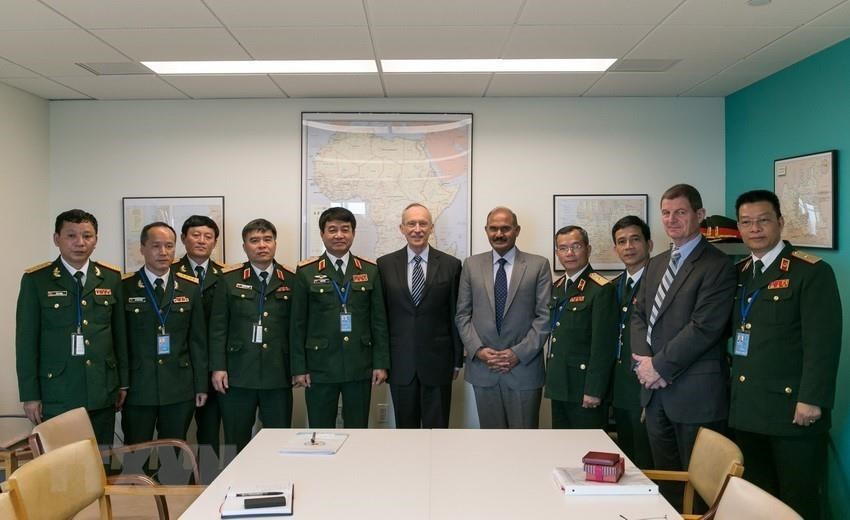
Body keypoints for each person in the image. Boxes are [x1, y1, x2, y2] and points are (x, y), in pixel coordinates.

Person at [730, 189, 842, 519]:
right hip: (749, 409)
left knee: (798, 501)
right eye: (746, 222)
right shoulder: (740, 272)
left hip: (793, 410)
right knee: (757, 499)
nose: (755, 229)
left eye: (763, 220)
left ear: (780, 222)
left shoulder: (810, 271)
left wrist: (812, 399)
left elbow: (823, 343)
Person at [630, 184, 735, 478]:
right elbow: (639, 316)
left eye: (680, 212)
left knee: (699, 485)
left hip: (695, 396)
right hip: (654, 394)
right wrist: (644, 365)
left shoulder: (718, 265)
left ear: (699, 215)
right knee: (666, 482)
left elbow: (704, 328)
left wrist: (658, 367)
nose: (671, 219)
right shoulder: (656, 263)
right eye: (666, 213)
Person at [16, 209, 127, 448]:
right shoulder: (37, 280)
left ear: (96, 240)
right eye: (71, 235)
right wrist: (30, 395)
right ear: (57, 239)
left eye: (87, 236)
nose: (80, 242)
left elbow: (120, 336)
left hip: (102, 388)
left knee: (101, 460)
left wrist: (122, 383)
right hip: (58, 391)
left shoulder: (111, 278)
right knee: (62, 463)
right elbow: (26, 343)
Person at [290, 207, 390, 428]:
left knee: (358, 428)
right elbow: (297, 325)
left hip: (359, 364)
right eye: (332, 230)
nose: (339, 235)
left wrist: (380, 363)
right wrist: (299, 368)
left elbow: (379, 322)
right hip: (320, 366)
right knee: (320, 429)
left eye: (345, 229)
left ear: (353, 233)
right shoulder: (306, 272)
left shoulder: (369, 270)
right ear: (322, 234)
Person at [455, 207, 551, 428]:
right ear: (486, 230)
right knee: (492, 441)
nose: (499, 234)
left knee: (524, 439)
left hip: (524, 369)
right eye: (493, 228)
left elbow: (544, 317)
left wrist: (517, 354)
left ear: (517, 230)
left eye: (505, 228)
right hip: (484, 369)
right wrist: (479, 350)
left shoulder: (538, 265)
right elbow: (462, 315)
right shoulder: (471, 265)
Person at [122, 222, 208, 465]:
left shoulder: (189, 287)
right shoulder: (125, 287)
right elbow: (120, 342)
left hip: (178, 386)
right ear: (142, 248)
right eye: (156, 246)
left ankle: (172, 490)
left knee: (174, 457)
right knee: (135, 455)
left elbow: (198, 341)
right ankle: (136, 490)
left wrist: (201, 385)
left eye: (169, 246)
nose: (163, 252)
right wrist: (122, 384)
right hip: (139, 387)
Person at [210, 219, 295, 455]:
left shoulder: (291, 279)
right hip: (238, 374)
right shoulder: (229, 279)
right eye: (254, 240)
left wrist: (298, 368)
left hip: (278, 373)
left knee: (278, 441)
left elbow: (297, 328)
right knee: (236, 440)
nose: (262, 245)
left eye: (267, 239)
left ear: (275, 243)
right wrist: (218, 367)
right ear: (245, 246)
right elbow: (218, 328)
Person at [377, 203, 463, 428]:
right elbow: (380, 319)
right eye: (411, 224)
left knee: (438, 431)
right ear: (402, 228)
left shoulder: (451, 265)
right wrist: (381, 362)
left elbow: (455, 315)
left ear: (431, 228)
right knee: (406, 431)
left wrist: (457, 360)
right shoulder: (384, 265)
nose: (417, 229)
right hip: (400, 363)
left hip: (439, 363)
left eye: (423, 224)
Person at [544, 225, 617, 429]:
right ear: (557, 253)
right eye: (563, 248)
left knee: (588, 445)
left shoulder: (601, 289)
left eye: (576, 246)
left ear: (588, 249)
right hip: (559, 384)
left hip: (584, 388)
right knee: (561, 444)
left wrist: (594, 389)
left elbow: (603, 346)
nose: (569, 253)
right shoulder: (557, 287)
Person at [177, 215, 224, 470]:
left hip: (214, 365)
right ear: (184, 239)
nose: (201, 241)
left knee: (209, 430)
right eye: (195, 235)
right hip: (181, 364)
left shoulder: (225, 275)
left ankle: (208, 479)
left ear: (215, 242)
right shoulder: (169, 272)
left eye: (208, 236)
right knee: (175, 430)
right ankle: (174, 483)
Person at [610, 216, 654, 468]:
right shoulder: (613, 286)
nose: (628, 246)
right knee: (624, 459)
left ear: (649, 244)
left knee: (647, 461)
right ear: (615, 248)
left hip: (647, 384)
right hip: (620, 387)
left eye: (635, 239)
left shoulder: (660, 283)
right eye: (622, 241)